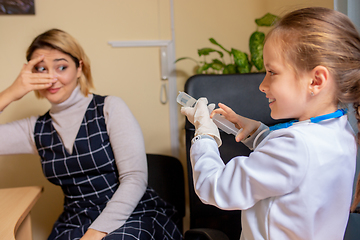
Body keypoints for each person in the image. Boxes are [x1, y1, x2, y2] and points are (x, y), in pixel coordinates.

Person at [181, 7, 360, 240]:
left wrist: (204, 135)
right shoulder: (342, 131)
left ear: (316, 80)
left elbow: (213, 187)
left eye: (271, 72)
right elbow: (299, 166)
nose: (262, 85)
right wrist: (256, 132)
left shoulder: (294, 148)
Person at [0, 28, 182, 240]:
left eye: (61, 67)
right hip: (75, 222)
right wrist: (10, 93)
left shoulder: (109, 108)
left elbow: (134, 179)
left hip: (130, 215)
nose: (51, 78)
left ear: (79, 68)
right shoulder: (34, 129)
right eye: (41, 69)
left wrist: (95, 234)